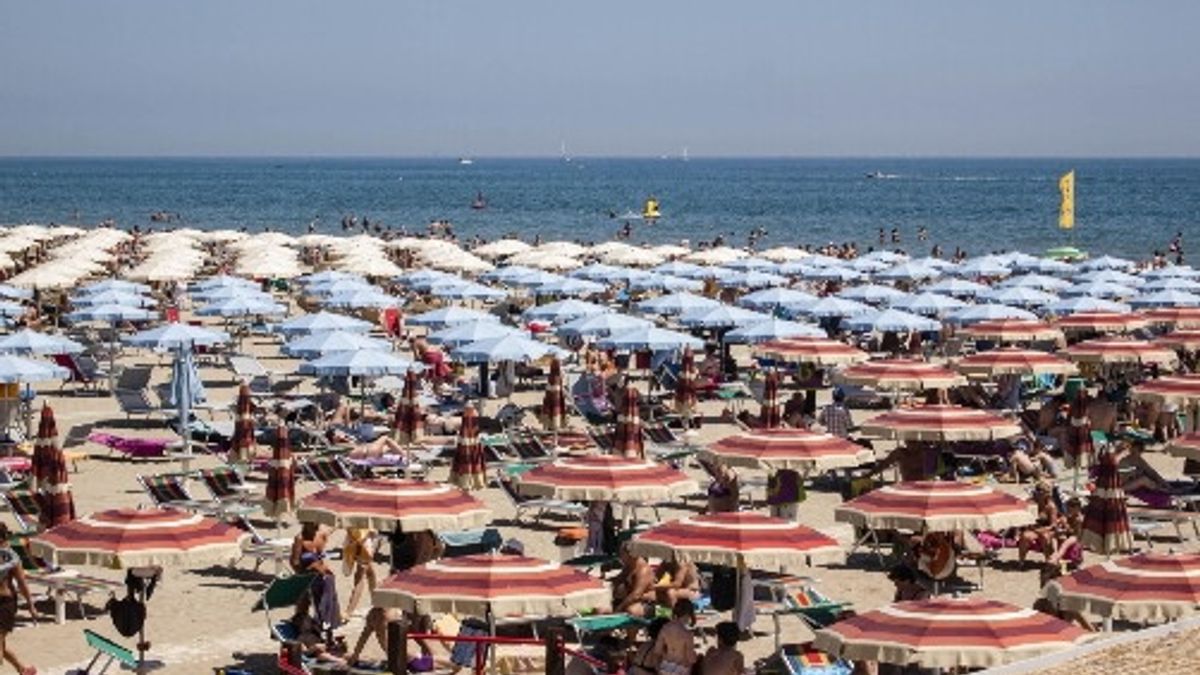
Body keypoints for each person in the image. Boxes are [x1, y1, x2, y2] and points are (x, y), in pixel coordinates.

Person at [0, 524, 37, 675]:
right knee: (1, 644)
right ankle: (22, 669)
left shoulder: (11, 557)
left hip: (4, 605)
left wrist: (31, 605)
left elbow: (22, 582)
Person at [647, 599, 697, 675]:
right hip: (681, 669)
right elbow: (690, 658)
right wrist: (696, 657)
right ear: (689, 614)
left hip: (665, 666)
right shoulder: (687, 634)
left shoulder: (665, 628)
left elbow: (657, 651)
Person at [341, 528, 378, 622]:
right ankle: (378, 602)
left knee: (360, 575)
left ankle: (349, 611)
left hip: (366, 538)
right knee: (369, 572)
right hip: (356, 536)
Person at [613, 544, 656, 618]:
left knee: (632, 610)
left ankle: (632, 629)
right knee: (602, 608)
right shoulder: (629, 566)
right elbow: (617, 579)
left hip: (645, 603)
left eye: (622, 555)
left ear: (630, 555)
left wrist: (619, 608)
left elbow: (636, 595)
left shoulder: (643, 570)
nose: (620, 557)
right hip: (628, 599)